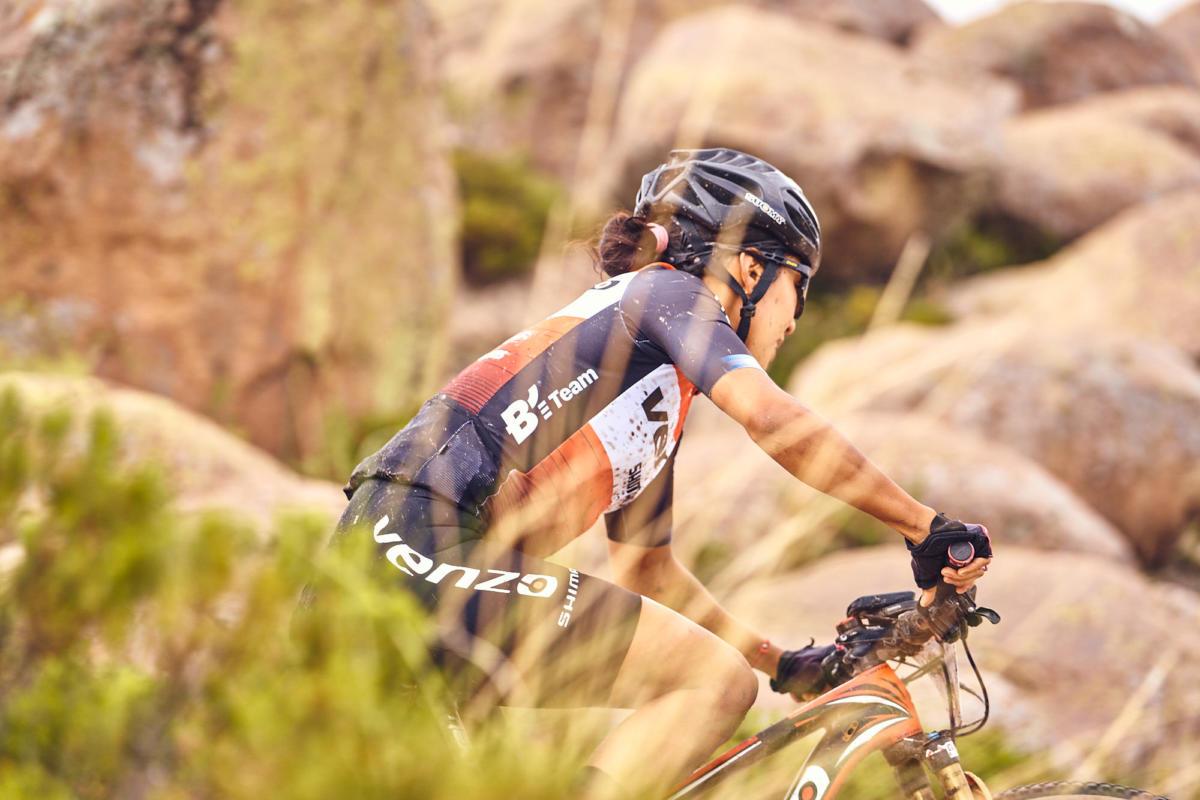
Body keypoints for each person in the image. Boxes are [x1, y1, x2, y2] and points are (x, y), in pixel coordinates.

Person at [331, 148, 993, 798]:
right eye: (799, 285)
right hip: (417, 549)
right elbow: (771, 418)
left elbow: (648, 570)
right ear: (749, 267)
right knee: (714, 682)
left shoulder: (646, 386)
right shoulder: (667, 292)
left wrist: (784, 663)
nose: (796, 318)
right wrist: (923, 527)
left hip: (388, 568)